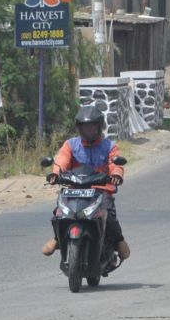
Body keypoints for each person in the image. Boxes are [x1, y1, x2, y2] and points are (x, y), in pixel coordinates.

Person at [42, 104, 130, 260]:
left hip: (100, 190)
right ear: (79, 128)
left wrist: (116, 174)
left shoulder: (109, 146)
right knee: (58, 213)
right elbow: (62, 160)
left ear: (99, 127)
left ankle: (119, 241)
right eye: (85, 127)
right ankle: (58, 239)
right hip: (74, 189)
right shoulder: (70, 145)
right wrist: (55, 174)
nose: (89, 130)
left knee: (108, 215)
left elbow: (115, 164)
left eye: (92, 127)